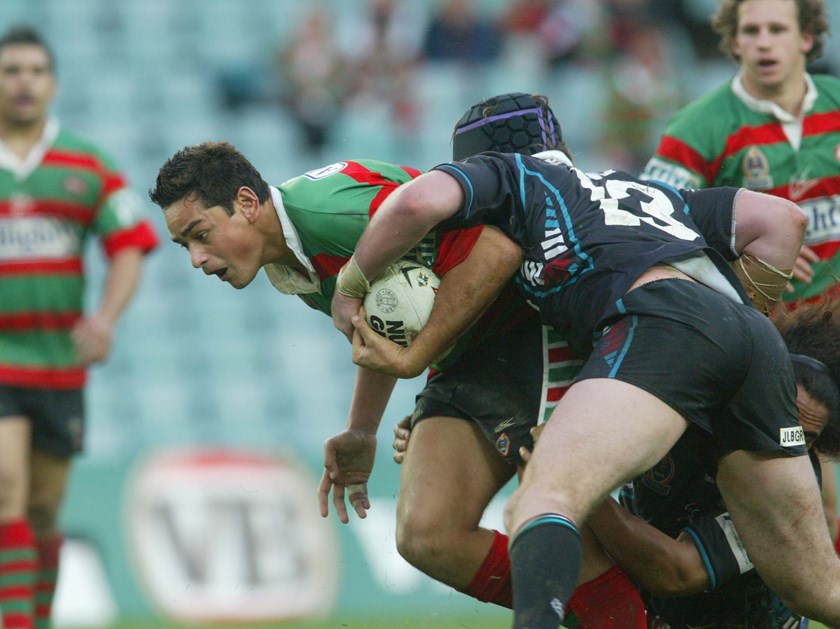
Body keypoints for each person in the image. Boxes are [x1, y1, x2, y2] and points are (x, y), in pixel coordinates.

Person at [148, 96, 649, 626]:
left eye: (200, 236)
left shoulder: (330, 212)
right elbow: (388, 324)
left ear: (247, 203)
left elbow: (498, 249)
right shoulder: (287, 261)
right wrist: (361, 430)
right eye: (184, 247)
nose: (198, 260)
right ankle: (591, 608)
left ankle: (615, 611)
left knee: (562, 519)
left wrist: (417, 359)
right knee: (427, 535)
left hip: (528, 328)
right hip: (471, 353)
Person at [331, 139, 840, 625]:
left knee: (544, 498)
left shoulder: (518, 177)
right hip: (750, 338)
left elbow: (417, 200)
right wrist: (742, 328)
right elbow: (784, 219)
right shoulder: (648, 195)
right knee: (821, 591)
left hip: (659, 322)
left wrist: (350, 285)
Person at [641, 0, 840, 557]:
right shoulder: (699, 128)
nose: (763, 42)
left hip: (836, 342)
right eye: (750, 31)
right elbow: (650, 225)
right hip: (765, 347)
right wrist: (744, 257)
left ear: (807, 39)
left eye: (778, 29)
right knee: (809, 498)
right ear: (732, 43)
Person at [0, 26, 158, 629]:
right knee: (6, 491)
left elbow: (128, 243)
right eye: (12, 70)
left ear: (53, 84)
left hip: (59, 363)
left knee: (43, 511)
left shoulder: (86, 163)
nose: (23, 82)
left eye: (35, 72)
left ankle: (33, 619)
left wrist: (104, 318)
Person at [581, 301, 840, 627]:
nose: (784, 444)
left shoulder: (787, 491)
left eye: (806, 439)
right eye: (781, 418)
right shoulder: (677, 405)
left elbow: (675, 573)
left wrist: (577, 488)